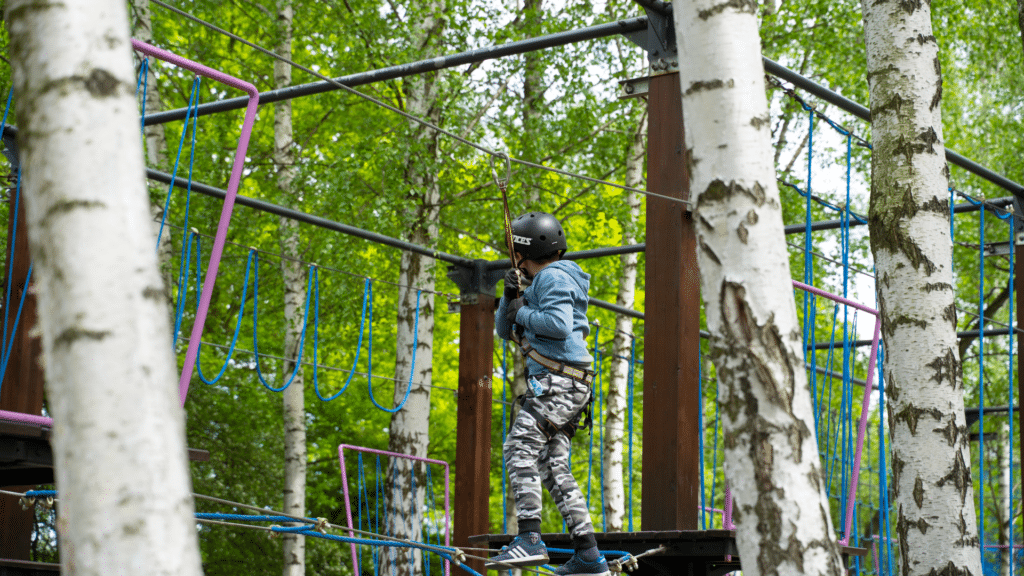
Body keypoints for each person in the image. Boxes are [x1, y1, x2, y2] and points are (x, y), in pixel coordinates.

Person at [486, 211, 609, 576]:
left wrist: (522, 310)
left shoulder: (554, 277)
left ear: (524, 251)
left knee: (519, 446)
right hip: (563, 383)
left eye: (514, 253)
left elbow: (556, 325)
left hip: (562, 381)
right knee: (551, 464)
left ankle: (529, 539)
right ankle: (588, 554)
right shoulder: (537, 280)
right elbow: (507, 333)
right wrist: (511, 296)